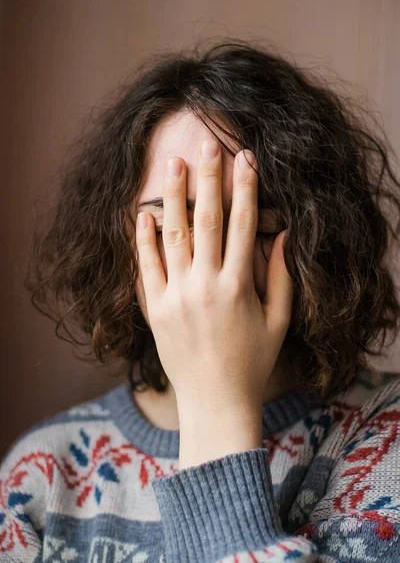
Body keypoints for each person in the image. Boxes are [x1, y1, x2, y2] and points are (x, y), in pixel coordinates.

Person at [1, 37, 400, 563]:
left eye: (254, 223)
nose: (214, 269)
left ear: (319, 239)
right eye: (173, 225)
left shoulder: (383, 439)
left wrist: (219, 402)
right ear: (118, 248)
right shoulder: (43, 475)